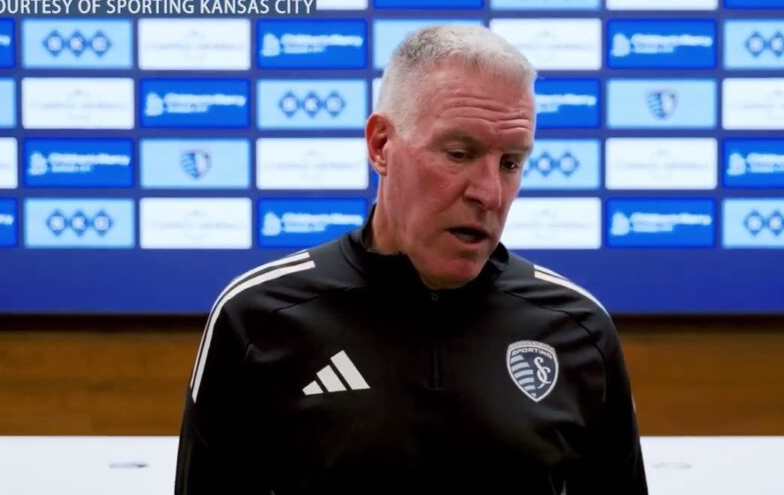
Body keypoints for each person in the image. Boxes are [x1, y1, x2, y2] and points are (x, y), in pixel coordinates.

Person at [174, 25, 648, 494]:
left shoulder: (578, 328)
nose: (490, 194)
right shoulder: (258, 319)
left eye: (511, 163)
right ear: (381, 145)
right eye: (459, 153)